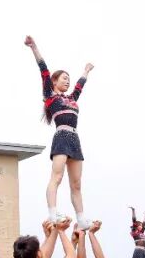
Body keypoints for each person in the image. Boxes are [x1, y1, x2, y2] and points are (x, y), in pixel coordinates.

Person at [24, 36, 94, 229]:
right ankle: (53, 214)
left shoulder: (71, 98)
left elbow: (80, 86)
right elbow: (43, 69)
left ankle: (81, 220)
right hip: (61, 137)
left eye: (68, 79)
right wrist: (34, 47)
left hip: (75, 139)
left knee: (76, 184)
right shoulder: (50, 95)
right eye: (64, 78)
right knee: (57, 177)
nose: (67, 82)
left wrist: (86, 71)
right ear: (54, 81)